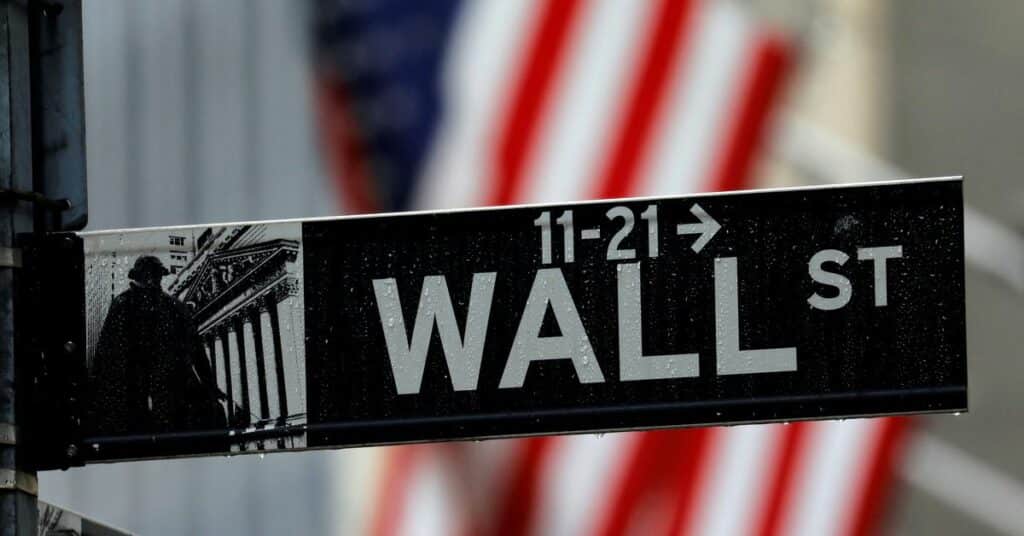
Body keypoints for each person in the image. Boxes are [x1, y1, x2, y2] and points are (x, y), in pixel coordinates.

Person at [90, 256, 227, 436]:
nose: (152, 280)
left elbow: (196, 349)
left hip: (170, 387)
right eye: (148, 275)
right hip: (138, 388)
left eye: (155, 275)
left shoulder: (173, 306)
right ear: (138, 277)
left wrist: (210, 385)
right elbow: (106, 352)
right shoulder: (124, 305)